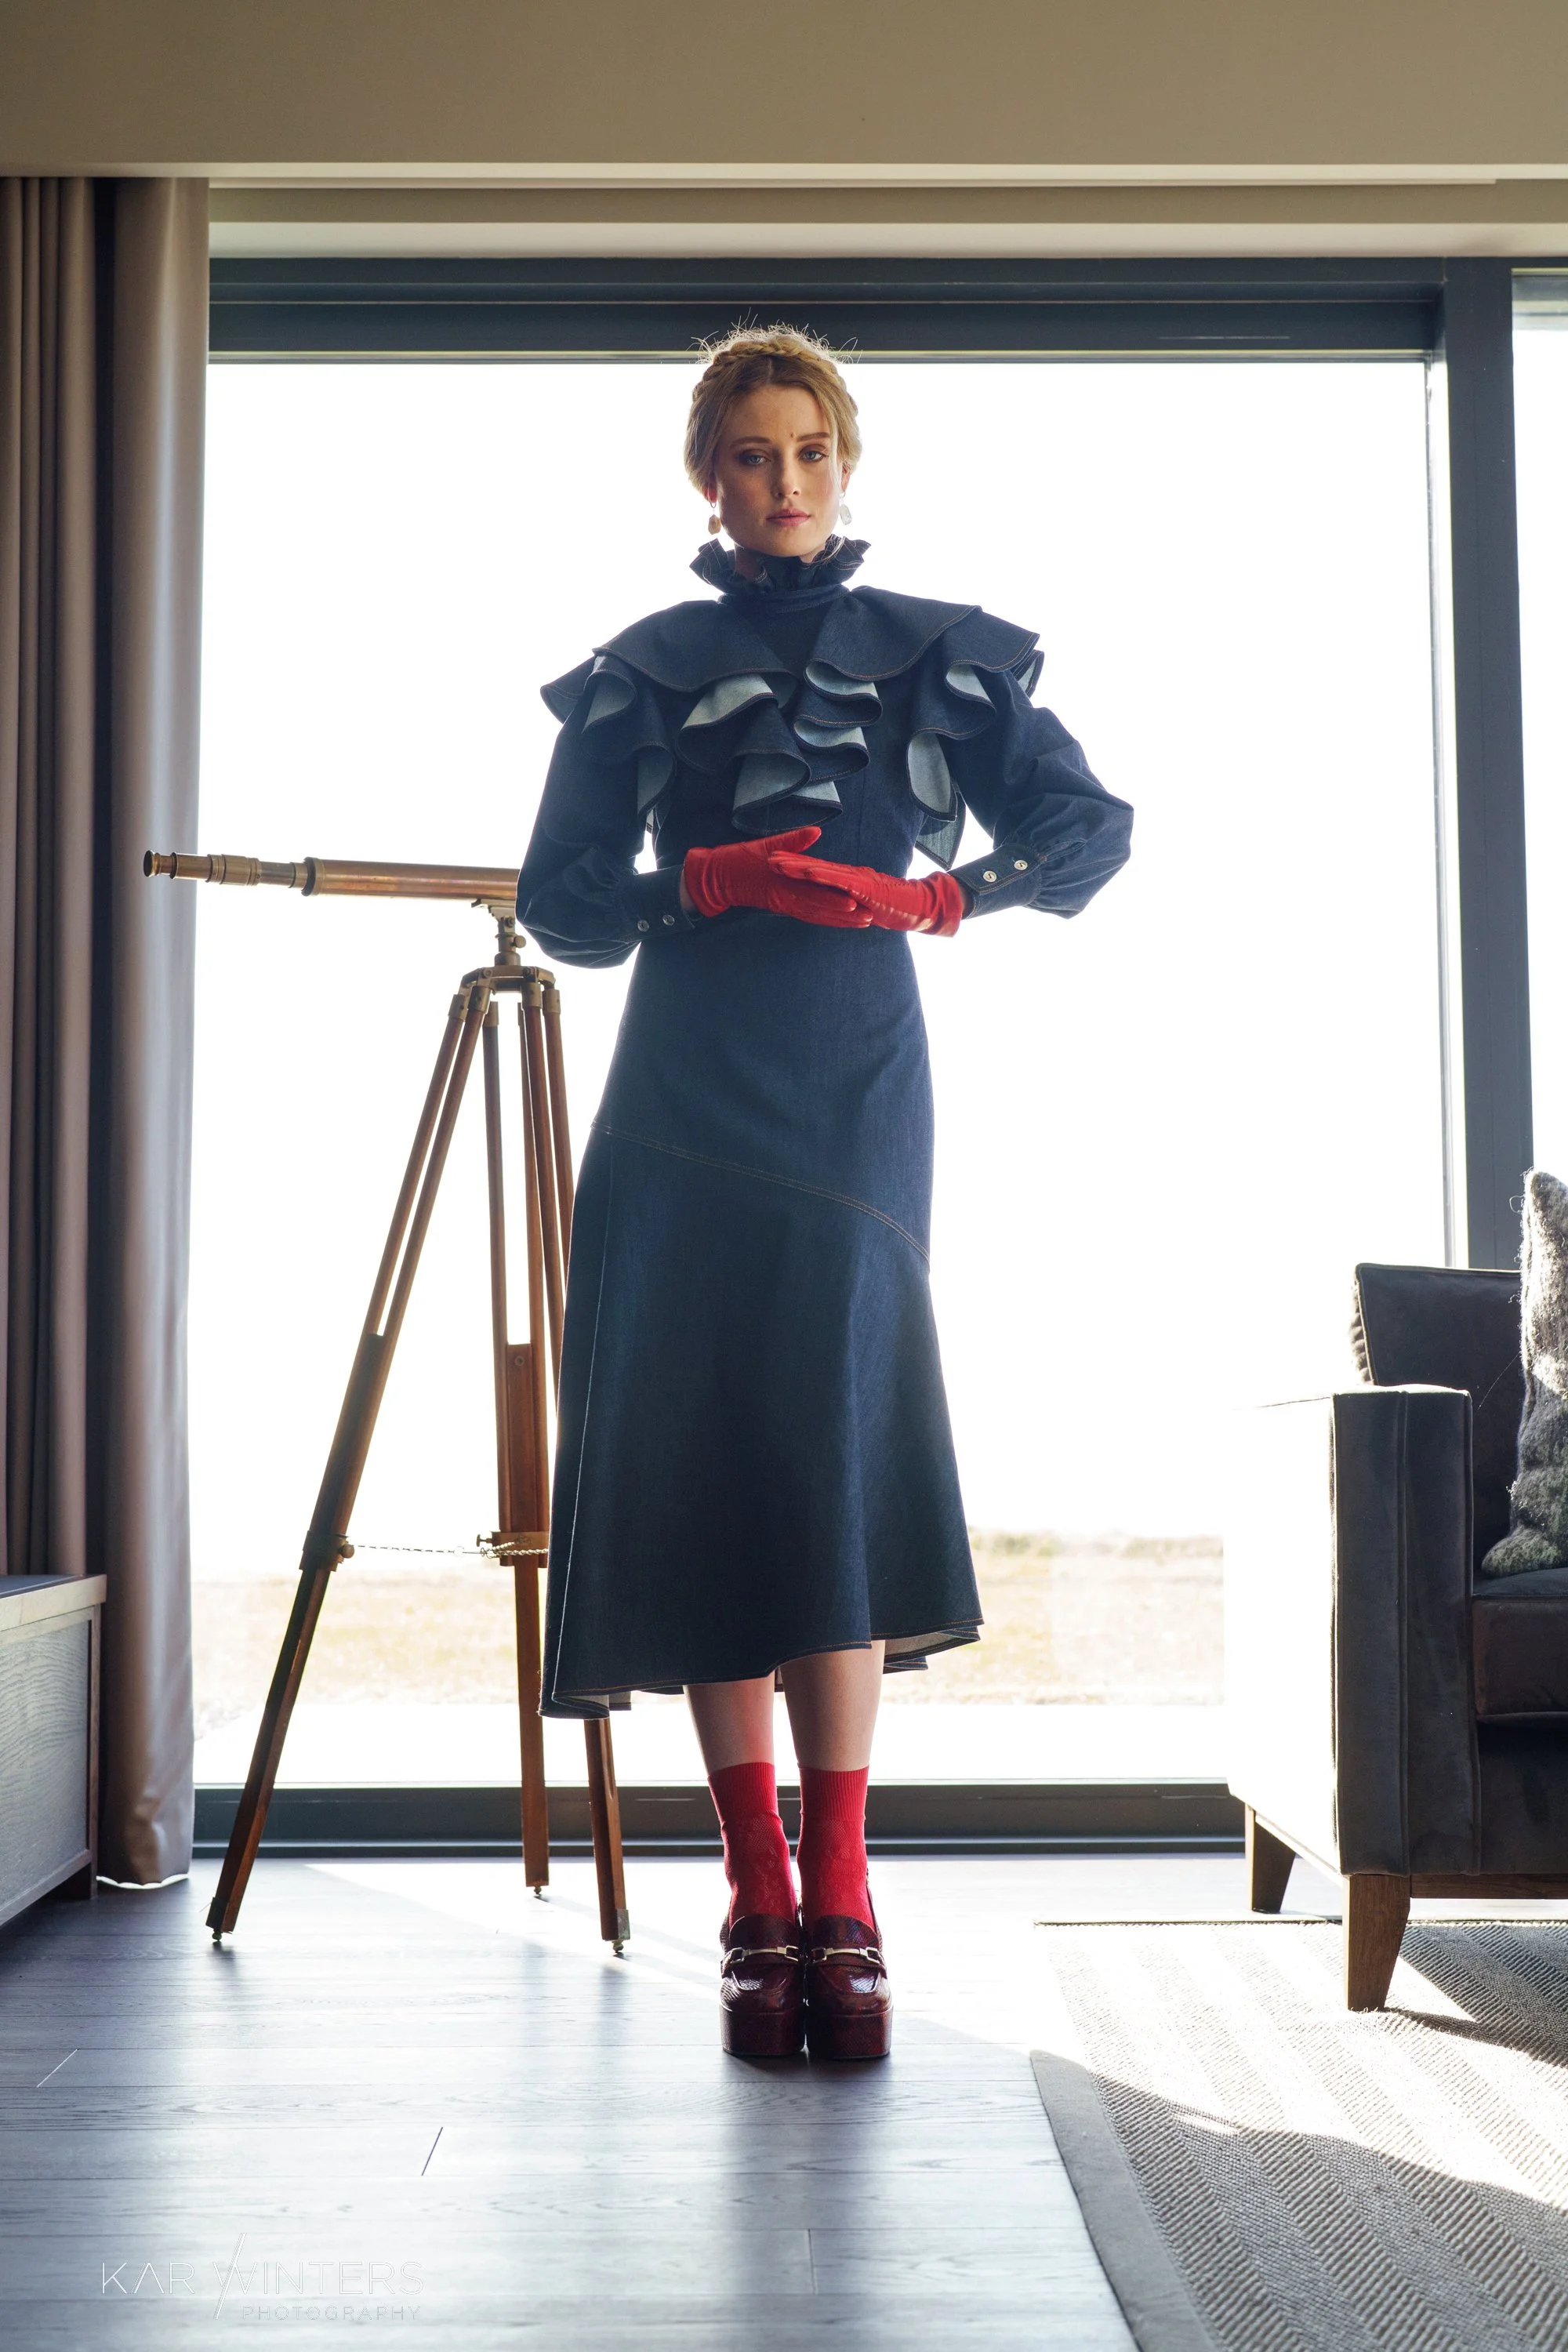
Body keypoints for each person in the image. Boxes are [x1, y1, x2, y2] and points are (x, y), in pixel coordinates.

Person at [517, 327, 1132, 2061]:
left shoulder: (937, 652)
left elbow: (1089, 832)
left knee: (835, 1453)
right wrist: (683, 879)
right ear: (704, 478)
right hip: (681, 1099)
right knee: (707, 1461)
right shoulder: (643, 670)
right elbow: (562, 901)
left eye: (805, 452)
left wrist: (948, 905)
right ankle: (753, 1885)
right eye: (745, 456)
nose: (779, 483)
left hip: (856, 1093)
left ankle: (846, 1892)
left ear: (843, 461)